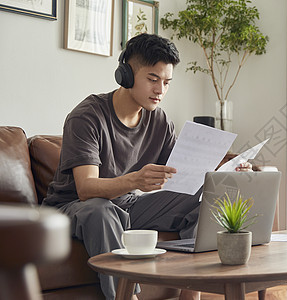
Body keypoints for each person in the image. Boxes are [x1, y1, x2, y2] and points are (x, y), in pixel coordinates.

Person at [43, 33, 250, 300]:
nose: (160, 90)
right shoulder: (87, 116)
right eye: (152, 79)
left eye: (166, 82)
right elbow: (85, 189)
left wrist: (227, 170)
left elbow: (184, 174)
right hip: (72, 209)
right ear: (126, 75)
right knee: (100, 210)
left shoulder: (160, 121)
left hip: (127, 205)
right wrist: (135, 180)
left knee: (205, 202)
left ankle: (190, 294)